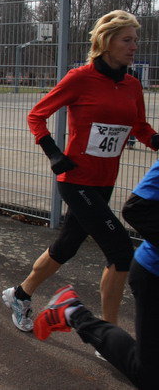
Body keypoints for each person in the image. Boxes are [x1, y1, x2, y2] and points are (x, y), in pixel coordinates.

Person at [3, 10, 159, 333]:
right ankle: (108, 334)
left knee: (66, 246)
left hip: (105, 181)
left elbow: (140, 127)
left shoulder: (132, 84)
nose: (134, 47)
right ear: (107, 41)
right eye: (127, 40)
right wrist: (53, 153)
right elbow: (37, 115)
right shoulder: (80, 78)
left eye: (136, 40)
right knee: (120, 251)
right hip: (76, 180)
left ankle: (20, 294)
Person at [34, 158, 159, 389]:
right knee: (149, 375)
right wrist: (53, 152)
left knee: (70, 244)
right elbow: (136, 209)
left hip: (95, 182)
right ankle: (72, 312)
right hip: (153, 272)